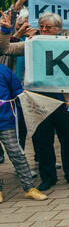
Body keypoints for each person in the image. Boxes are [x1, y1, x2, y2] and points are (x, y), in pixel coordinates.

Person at [27, 12, 69, 191]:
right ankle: (48, 177)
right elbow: (5, 48)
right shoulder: (31, 44)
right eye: (41, 26)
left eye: (48, 27)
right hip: (39, 100)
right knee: (43, 141)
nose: (43, 30)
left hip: (64, 101)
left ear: (58, 30)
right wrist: (8, 31)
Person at [0, 59, 46, 202]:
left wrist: (25, 95)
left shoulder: (4, 71)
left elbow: (16, 90)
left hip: (6, 121)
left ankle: (29, 188)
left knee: (17, 153)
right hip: (7, 118)